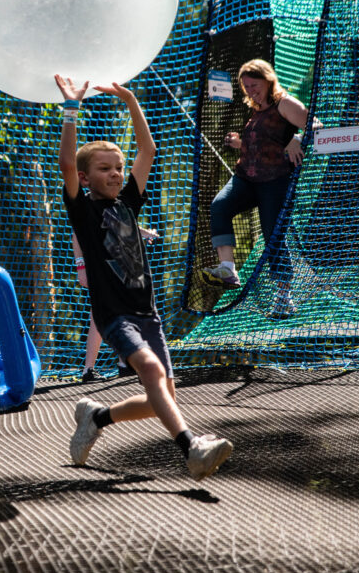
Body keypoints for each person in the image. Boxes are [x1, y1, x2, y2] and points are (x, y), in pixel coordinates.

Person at [56, 74, 233, 482]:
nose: (116, 174)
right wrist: (71, 109)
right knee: (151, 372)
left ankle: (96, 417)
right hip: (114, 315)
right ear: (85, 178)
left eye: (119, 168)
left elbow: (148, 150)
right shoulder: (83, 210)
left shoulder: (128, 203)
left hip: (146, 313)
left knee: (161, 398)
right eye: (105, 169)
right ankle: (192, 448)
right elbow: (66, 163)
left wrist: (131, 100)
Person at [199, 59, 319, 320]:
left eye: (254, 85)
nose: (250, 91)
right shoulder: (256, 109)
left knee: (273, 235)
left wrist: (297, 138)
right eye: (246, 87)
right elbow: (266, 142)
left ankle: (284, 297)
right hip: (246, 178)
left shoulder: (284, 103)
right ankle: (227, 268)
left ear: (267, 80)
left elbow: (317, 127)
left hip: (275, 180)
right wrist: (240, 143)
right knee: (220, 206)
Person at [72, 227, 157, 382]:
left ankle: (124, 364)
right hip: (100, 261)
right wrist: (80, 266)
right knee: (99, 314)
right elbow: (77, 233)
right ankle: (88, 370)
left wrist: (141, 232)